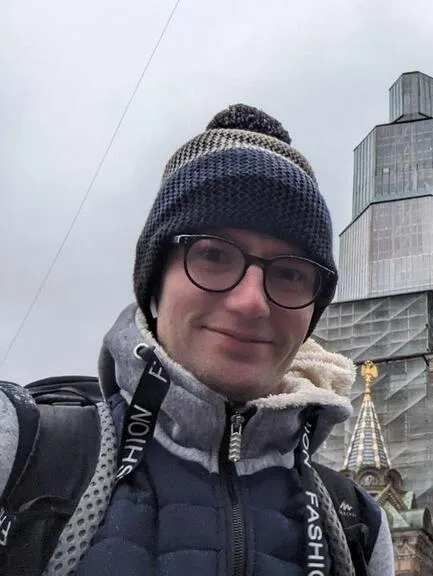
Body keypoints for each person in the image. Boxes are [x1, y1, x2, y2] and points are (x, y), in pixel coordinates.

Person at [0, 104, 393, 575]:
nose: (251, 302)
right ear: (155, 282)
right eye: (213, 255)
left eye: (290, 273)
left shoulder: (356, 528)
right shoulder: (21, 451)